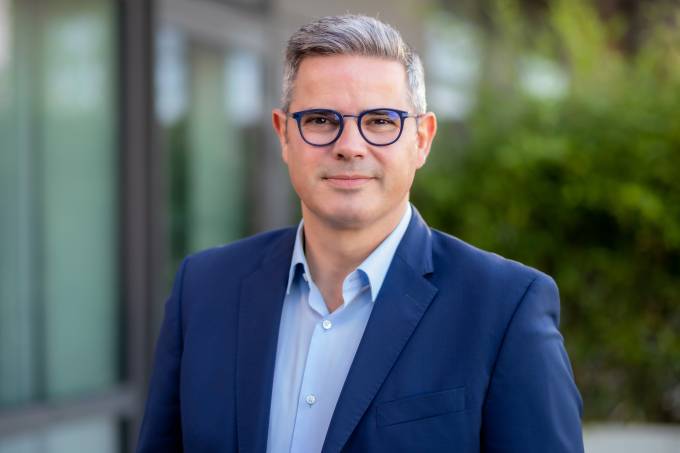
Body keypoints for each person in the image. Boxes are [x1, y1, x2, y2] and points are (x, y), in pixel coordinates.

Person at [137, 14, 584, 453]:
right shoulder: (204, 288)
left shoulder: (504, 308)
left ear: (422, 139)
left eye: (381, 121)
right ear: (284, 135)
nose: (349, 146)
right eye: (320, 120)